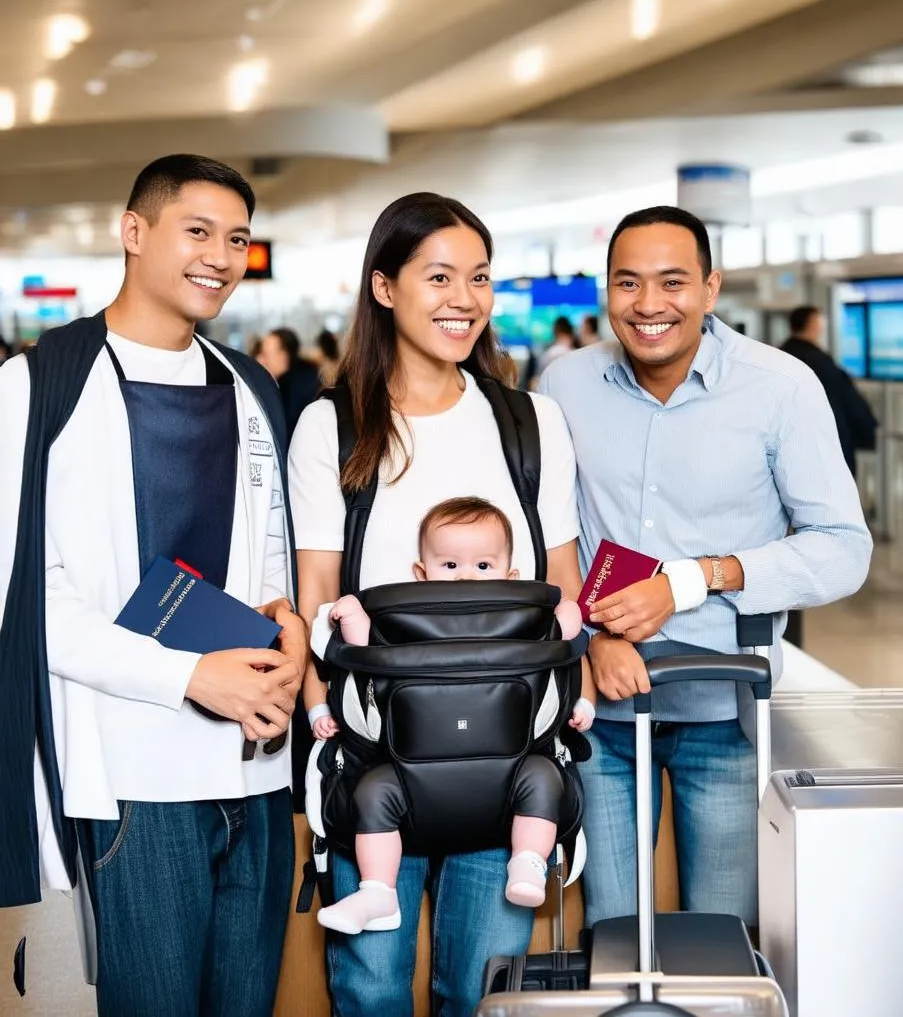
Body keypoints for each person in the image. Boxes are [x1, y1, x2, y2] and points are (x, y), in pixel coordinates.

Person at [0, 155, 307, 1015]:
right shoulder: (38, 387)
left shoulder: (250, 387)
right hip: (137, 783)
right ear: (133, 233)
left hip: (254, 773)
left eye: (238, 239)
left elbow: (268, 566)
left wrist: (289, 628)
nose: (220, 256)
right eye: (198, 231)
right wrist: (188, 676)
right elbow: (28, 604)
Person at [287, 191, 583, 1017]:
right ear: (384, 287)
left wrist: (572, 699)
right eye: (440, 277)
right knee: (372, 986)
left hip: (509, 746)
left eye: (480, 279)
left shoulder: (530, 422)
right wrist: (321, 721)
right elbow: (318, 588)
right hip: (379, 748)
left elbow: (558, 575)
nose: (465, 300)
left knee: (485, 986)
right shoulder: (334, 426)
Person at [539, 205, 872, 931]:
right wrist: (593, 640)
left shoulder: (780, 388)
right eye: (628, 284)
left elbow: (844, 548)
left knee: (725, 928)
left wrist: (692, 579)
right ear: (606, 291)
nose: (649, 305)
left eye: (673, 282)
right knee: (613, 930)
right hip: (603, 710)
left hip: (727, 711)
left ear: (711, 288)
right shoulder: (564, 384)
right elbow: (548, 538)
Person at [306, 496, 593, 935]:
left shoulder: (524, 618)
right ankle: (378, 891)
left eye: (483, 566)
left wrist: (568, 614)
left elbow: (566, 633)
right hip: (402, 772)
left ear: (511, 576)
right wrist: (353, 617)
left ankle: (528, 861)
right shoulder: (404, 619)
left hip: (510, 775)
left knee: (542, 777)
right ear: (421, 573)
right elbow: (366, 654)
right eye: (449, 565)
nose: (465, 578)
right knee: (372, 792)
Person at [780, 305, 878, 477]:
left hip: (785, 453)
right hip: (825, 450)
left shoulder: (778, 357)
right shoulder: (821, 362)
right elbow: (849, 402)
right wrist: (869, 434)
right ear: (812, 325)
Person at [256, 325, 321, 441]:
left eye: (265, 355)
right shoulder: (303, 377)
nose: (259, 360)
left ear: (284, 356)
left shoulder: (299, 388)